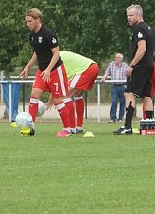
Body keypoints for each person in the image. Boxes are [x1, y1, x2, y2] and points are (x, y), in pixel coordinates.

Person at [18, 8, 75, 137]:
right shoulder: (31, 36)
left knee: (58, 100)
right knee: (34, 94)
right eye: (26, 21)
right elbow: (36, 54)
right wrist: (27, 67)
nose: (27, 24)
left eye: (30, 21)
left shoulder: (49, 34)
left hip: (55, 70)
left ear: (38, 20)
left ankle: (67, 130)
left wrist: (49, 69)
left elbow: (56, 54)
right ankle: (30, 128)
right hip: (42, 71)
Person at [114, 4, 154, 135]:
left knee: (128, 93)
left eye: (131, 15)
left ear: (139, 15)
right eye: (127, 16)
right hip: (149, 64)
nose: (128, 18)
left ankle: (127, 126)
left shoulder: (139, 29)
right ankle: (149, 126)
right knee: (146, 95)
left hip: (141, 66)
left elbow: (142, 48)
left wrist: (131, 65)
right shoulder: (148, 28)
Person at [51, 50, 100, 133]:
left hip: (85, 69)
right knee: (77, 95)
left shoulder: (56, 60)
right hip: (94, 67)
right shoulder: (59, 54)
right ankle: (79, 127)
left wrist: (55, 99)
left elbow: (60, 82)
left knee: (65, 96)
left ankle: (72, 128)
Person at [101, 53, 127, 123]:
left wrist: (126, 85)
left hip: (122, 86)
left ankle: (120, 118)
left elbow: (128, 75)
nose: (116, 59)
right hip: (114, 87)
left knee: (122, 102)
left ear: (121, 59)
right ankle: (112, 118)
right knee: (114, 101)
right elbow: (107, 72)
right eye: (116, 57)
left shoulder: (125, 65)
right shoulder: (111, 64)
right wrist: (104, 78)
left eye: (118, 58)